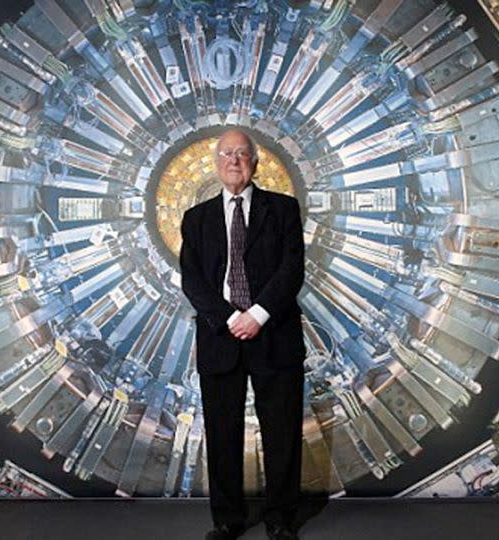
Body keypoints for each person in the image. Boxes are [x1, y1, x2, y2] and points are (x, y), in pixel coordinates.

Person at [180, 129, 307, 540]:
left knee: (282, 431)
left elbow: (292, 270)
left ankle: (281, 519)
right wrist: (227, 319)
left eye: (242, 154)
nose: (234, 161)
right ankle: (228, 519)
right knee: (222, 433)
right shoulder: (195, 219)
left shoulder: (284, 210)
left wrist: (257, 314)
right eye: (226, 154)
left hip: (274, 334)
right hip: (220, 338)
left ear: (255, 162)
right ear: (216, 164)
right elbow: (193, 281)